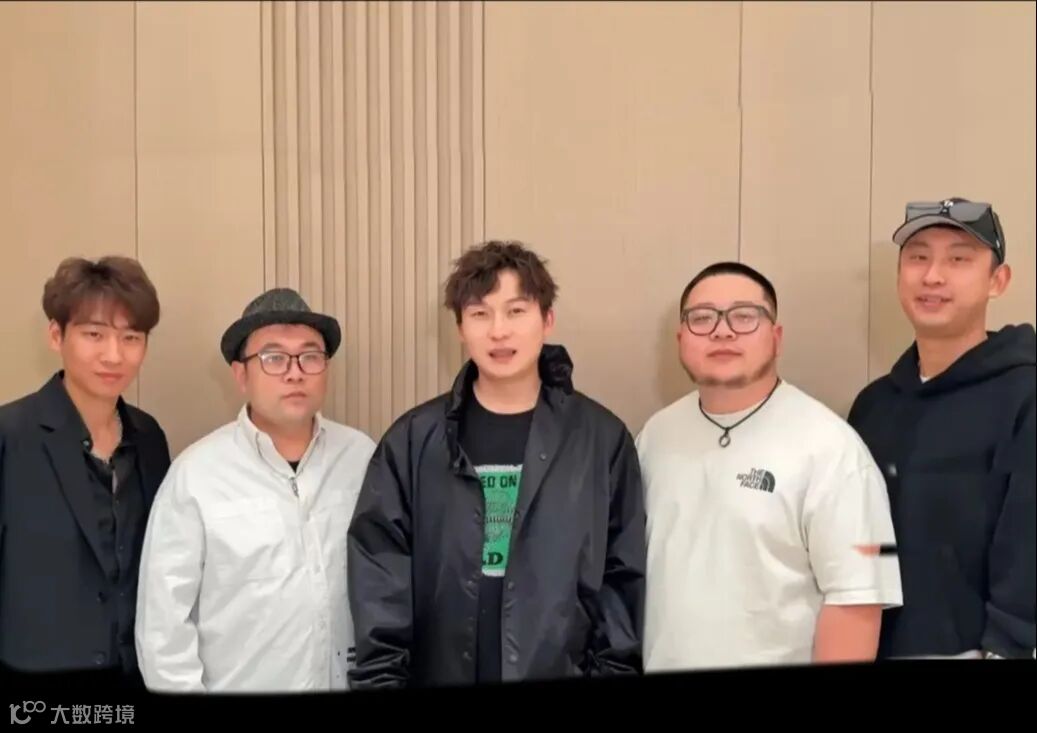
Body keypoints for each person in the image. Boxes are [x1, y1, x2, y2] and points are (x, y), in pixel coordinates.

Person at [347, 240, 646, 688]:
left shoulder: (601, 439)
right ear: (460, 328)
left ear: (547, 320)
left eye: (516, 311)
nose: (498, 331)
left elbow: (621, 585)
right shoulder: (413, 440)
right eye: (480, 314)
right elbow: (379, 577)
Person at [636, 261, 902, 671]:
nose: (722, 331)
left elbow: (860, 600)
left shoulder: (836, 449)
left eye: (744, 316)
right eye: (702, 318)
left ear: (776, 338)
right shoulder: (655, 435)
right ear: (680, 338)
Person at [134, 288, 376, 692]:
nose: (295, 373)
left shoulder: (362, 457)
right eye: (273, 358)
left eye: (310, 356)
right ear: (240, 374)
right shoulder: (197, 475)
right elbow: (164, 626)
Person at [848, 198, 1035, 660]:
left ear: (997, 281)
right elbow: (865, 544)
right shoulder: (874, 406)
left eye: (958, 259)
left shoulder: (1025, 394)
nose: (932, 276)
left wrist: (1004, 647)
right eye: (918, 257)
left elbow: (1026, 544)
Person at [0, 256, 169, 685]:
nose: (114, 355)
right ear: (56, 335)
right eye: (94, 334)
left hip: (135, 673)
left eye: (131, 337)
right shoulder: (10, 435)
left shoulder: (148, 436)